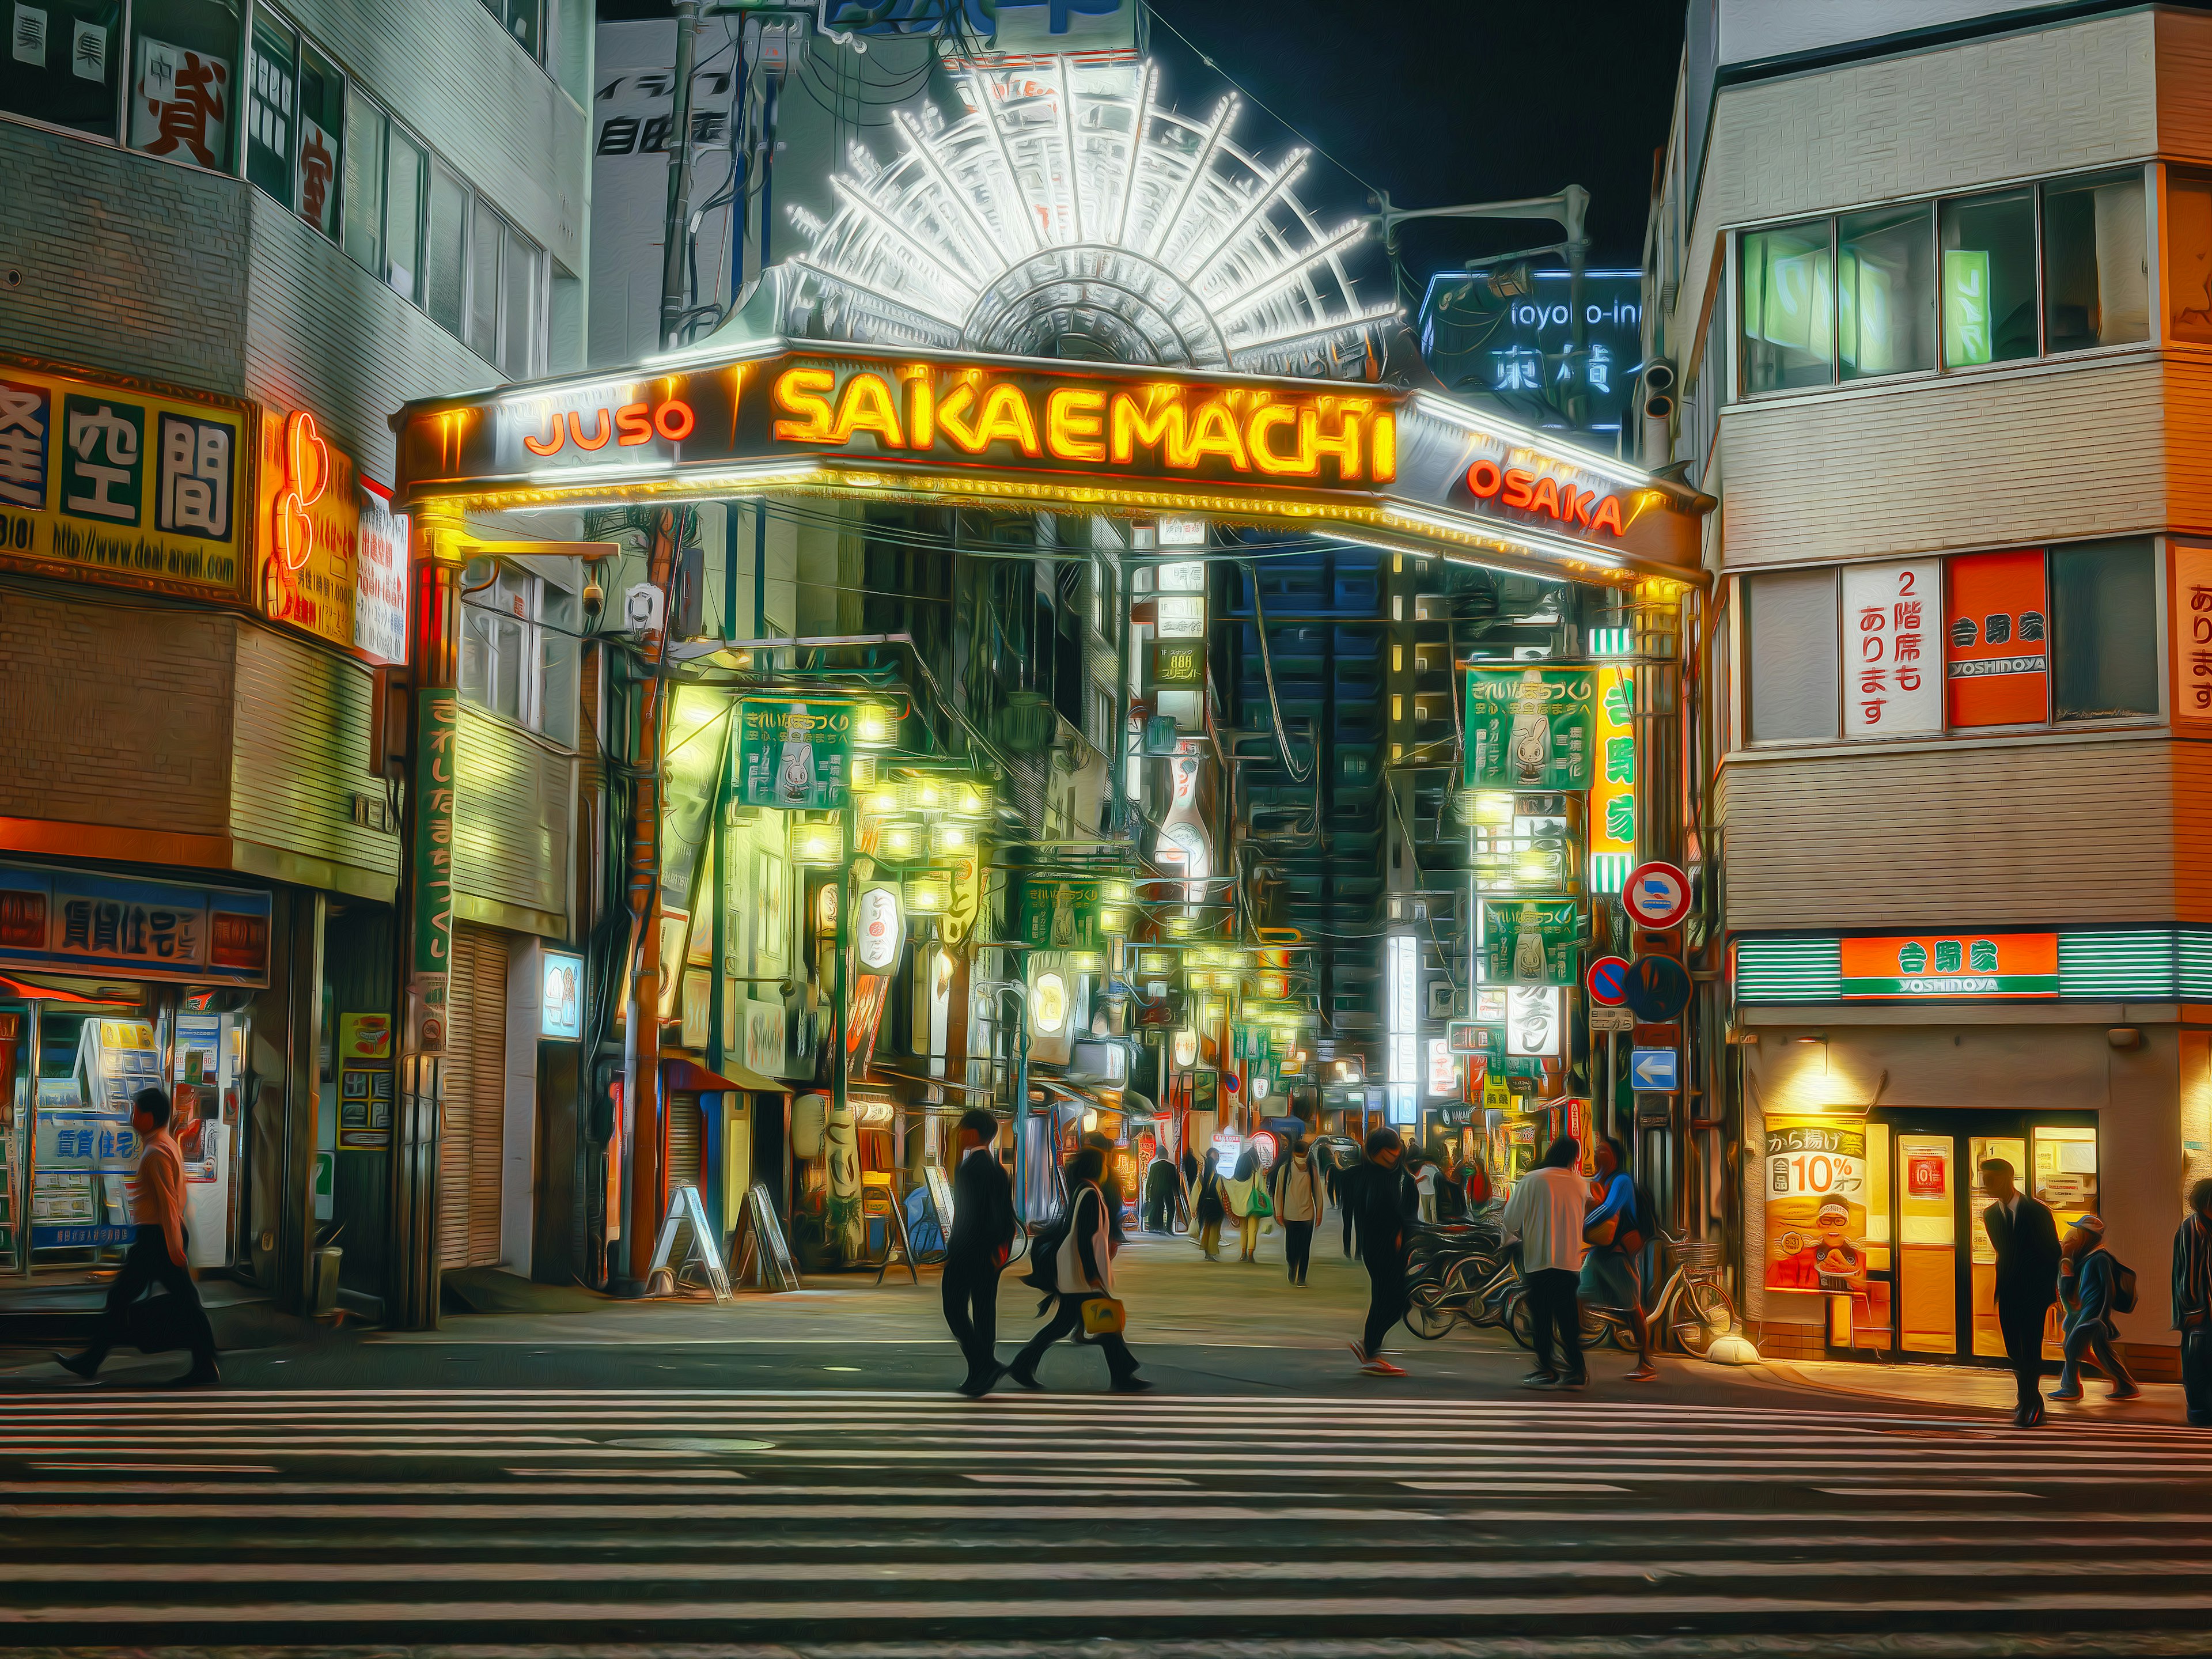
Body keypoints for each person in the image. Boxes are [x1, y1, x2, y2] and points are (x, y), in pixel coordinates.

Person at [58, 1086, 219, 1388]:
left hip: (157, 1237)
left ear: (148, 1116)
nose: (132, 1115)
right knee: (175, 1299)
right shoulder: (166, 1144)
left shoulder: (156, 1152)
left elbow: (168, 1203)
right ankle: (203, 1361)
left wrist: (173, 1246)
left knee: (136, 1297)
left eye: (136, 1110)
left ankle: (93, 1360)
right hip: (161, 1234)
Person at [1007, 1147, 1148, 1393]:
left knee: (1067, 1324)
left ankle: (1023, 1365)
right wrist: (1093, 1274)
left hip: (1076, 1270)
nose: (1107, 1170)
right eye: (1104, 1164)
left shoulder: (1086, 1190)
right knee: (1102, 1319)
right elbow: (1086, 1238)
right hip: (1079, 1271)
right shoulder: (1090, 1194)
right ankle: (1122, 1374)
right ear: (1096, 1167)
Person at [1500, 1136, 1589, 1391]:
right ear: (1574, 1158)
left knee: (1541, 1316)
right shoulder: (1581, 1184)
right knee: (1568, 1318)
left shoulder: (1532, 1180)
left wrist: (1509, 1240)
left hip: (1539, 1259)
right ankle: (1576, 1370)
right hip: (1570, 1261)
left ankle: (1546, 1369)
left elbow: (1511, 1218)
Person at [940, 1108, 1017, 1399]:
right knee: (985, 1313)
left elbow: (968, 1217)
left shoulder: (968, 1170)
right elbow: (1006, 1215)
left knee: (955, 1309)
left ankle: (982, 1366)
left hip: (968, 1251)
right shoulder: (998, 1170)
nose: (959, 1134)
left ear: (972, 1133)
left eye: (962, 1129)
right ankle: (982, 1370)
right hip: (992, 1254)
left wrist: (954, 1250)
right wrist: (1002, 1248)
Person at [1982, 1157, 2061, 1427]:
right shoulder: (1990, 1215)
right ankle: (2026, 1395)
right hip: (2008, 1290)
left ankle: (2031, 1403)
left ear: (2006, 1178)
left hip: (2034, 1292)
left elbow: (2052, 1253)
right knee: (2014, 1349)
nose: (1984, 1184)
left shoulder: (2038, 1212)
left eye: (1990, 1179)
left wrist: (2051, 1294)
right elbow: (2003, 1253)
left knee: (2030, 1348)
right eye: (1983, 1178)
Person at [1581, 1135, 1655, 1381]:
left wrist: (1582, 1226)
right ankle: (1577, 1341)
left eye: (1603, 1149)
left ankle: (1645, 1362)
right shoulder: (1600, 1178)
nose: (1598, 1151)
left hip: (1618, 1253)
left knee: (1633, 1307)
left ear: (1613, 1155)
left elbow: (1609, 1209)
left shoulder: (1621, 1180)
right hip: (1599, 1252)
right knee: (1579, 1293)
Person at [1346, 1127, 1415, 1376]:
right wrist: (1399, 1231)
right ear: (1374, 1153)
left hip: (1382, 1247)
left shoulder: (1385, 1174)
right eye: (1388, 1156)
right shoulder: (1371, 1177)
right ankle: (1371, 1349)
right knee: (1397, 1301)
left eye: (1396, 1155)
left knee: (1385, 1298)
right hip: (1383, 1247)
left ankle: (1370, 1347)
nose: (1393, 1160)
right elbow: (1378, 1213)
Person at [2052, 1213, 2139, 1403]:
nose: (2076, 1235)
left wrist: (2098, 1317)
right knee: (2097, 1351)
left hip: (2093, 1316)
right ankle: (2126, 1385)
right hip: (2086, 1314)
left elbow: (2108, 1290)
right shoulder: (2089, 1257)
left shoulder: (2101, 1259)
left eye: (2080, 1232)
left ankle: (2071, 1388)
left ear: (2087, 1236)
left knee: (2071, 1347)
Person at [2173, 1179, 2212, 1426]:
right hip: (2199, 1312)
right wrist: (2194, 1309)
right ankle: (2199, 1411)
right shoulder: (2193, 1227)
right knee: (2198, 1362)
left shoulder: (2205, 1226)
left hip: (2205, 1310)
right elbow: (2188, 1274)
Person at [1274, 1136, 1326, 1286]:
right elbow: (1279, 1192)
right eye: (1301, 1154)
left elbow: (1318, 1193)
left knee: (1305, 1248)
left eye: (1305, 1154)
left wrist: (1319, 1214)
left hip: (1307, 1215)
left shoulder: (1313, 1171)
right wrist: (1279, 1212)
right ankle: (1292, 1266)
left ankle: (1302, 1278)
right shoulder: (1285, 1170)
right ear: (1294, 1154)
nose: (1303, 1158)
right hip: (1289, 1215)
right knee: (1291, 1248)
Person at [1226, 1145, 1264, 1263]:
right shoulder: (1256, 1177)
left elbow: (1229, 1191)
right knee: (1252, 1230)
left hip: (1240, 1209)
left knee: (1244, 1230)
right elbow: (1263, 1192)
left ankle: (1243, 1254)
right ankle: (1251, 1253)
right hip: (1253, 1207)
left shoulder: (1234, 1179)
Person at [1192, 1148, 1226, 1260]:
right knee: (1214, 1229)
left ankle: (1207, 1250)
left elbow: (1196, 1192)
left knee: (1207, 1227)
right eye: (1216, 1155)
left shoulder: (1202, 1176)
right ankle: (1211, 1251)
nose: (1218, 1157)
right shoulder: (1217, 1177)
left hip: (1204, 1204)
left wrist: (1195, 1207)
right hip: (1215, 1205)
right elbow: (1221, 1193)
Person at [1142, 1155, 1177, 1234]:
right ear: (1168, 1155)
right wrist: (1176, 1192)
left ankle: (1161, 1228)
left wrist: (1147, 1192)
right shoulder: (1171, 1167)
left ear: (1158, 1156)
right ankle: (1169, 1228)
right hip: (1168, 1190)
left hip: (1156, 1191)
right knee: (1171, 1208)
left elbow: (1150, 1180)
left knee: (1158, 1209)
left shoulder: (1154, 1166)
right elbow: (1175, 1180)